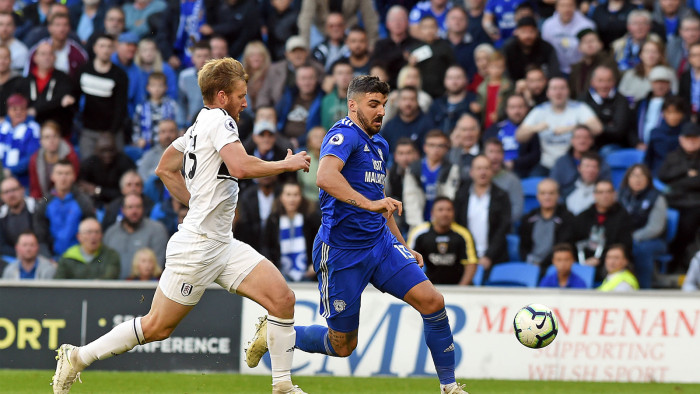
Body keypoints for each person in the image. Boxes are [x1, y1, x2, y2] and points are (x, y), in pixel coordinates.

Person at [52, 57, 311, 394]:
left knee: (282, 299)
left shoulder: (198, 124)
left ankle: (282, 385)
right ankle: (77, 357)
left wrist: (198, 201)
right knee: (157, 327)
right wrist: (285, 163)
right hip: (198, 247)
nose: (245, 102)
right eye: (240, 95)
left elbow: (164, 167)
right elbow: (240, 167)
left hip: (222, 242)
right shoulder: (220, 122)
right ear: (221, 96)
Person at [244, 75, 468, 394]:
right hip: (341, 252)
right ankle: (274, 334)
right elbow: (325, 177)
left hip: (381, 245)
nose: (380, 112)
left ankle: (449, 386)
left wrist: (404, 245)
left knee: (433, 301)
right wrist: (369, 204)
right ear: (353, 105)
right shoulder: (342, 135)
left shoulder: (380, 145)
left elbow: (380, 201)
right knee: (342, 345)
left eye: (383, 105)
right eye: (373, 104)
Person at [516, 77, 602, 176]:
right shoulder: (539, 111)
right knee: (533, 183)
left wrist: (570, 128)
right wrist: (535, 128)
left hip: (573, 163)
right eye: (554, 88)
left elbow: (598, 129)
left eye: (562, 88)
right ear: (548, 93)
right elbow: (519, 136)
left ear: (568, 91)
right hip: (546, 164)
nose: (558, 92)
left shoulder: (579, 108)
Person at [75, 34, 128, 158]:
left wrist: (112, 132)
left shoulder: (120, 75)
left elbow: (121, 107)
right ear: (95, 48)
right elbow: (74, 97)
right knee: (87, 166)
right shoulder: (84, 71)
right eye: (102, 46)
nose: (105, 50)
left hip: (113, 132)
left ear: (113, 50)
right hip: (88, 131)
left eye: (109, 46)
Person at [453, 155, 511, 269]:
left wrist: (489, 256)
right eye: (479, 168)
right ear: (471, 172)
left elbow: (503, 228)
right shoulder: (461, 195)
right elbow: (457, 225)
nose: (482, 172)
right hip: (465, 257)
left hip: (494, 257)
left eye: (486, 168)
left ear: (492, 171)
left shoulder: (502, 196)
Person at [658, 122, 700, 272]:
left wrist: (680, 181)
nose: (691, 141)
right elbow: (662, 176)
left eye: (695, 138)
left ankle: (685, 262)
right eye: (688, 138)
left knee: (689, 224)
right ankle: (674, 262)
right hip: (674, 201)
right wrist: (686, 172)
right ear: (681, 139)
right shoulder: (673, 156)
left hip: (695, 203)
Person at [408, 196, 479, 285]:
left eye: (449, 210)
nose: (445, 213)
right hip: (430, 286)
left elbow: (471, 264)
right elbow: (408, 262)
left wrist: (461, 290)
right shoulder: (419, 233)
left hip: (459, 285)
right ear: (432, 213)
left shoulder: (463, 234)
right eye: (440, 210)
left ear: (454, 213)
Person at [618, 164, 667, 289]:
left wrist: (633, 237)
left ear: (648, 179)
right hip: (626, 237)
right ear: (627, 178)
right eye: (634, 175)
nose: (637, 179)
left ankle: (644, 289)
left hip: (653, 240)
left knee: (642, 249)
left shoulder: (657, 197)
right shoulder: (621, 196)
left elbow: (655, 228)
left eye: (642, 175)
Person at [573, 180, 633, 282]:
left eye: (608, 192)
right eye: (601, 192)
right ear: (594, 195)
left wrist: (601, 260)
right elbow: (573, 241)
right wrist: (582, 261)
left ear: (614, 194)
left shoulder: (623, 217)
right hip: (583, 263)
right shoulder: (583, 216)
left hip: (609, 264)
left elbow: (624, 245)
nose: (605, 196)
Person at [34, 159, 95, 259]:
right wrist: (47, 258)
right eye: (59, 173)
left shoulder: (84, 201)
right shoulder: (45, 201)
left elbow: (91, 231)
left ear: (74, 176)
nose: (63, 178)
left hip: (80, 257)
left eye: (67, 173)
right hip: (52, 258)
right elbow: (40, 237)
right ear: (52, 176)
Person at [263, 181, 321, 282]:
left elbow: (321, 243)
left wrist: (316, 264)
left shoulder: (311, 218)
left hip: (308, 273)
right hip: (281, 273)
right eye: (288, 195)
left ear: (301, 197)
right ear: (281, 197)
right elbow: (265, 245)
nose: (292, 199)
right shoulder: (273, 219)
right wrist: (269, 262)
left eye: (296, 195)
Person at [17, 41, 76, 138]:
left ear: (55, 57)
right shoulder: (25, 81)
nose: (47, 57)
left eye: (50, 53)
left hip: (58, 132)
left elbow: (63, 99)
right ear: (35, 58)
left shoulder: (64, 78)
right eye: (43, 54)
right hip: (29, 133)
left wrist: (35, 109)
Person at [103, 192, 168, 279]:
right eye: (130, 207)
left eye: (138, 207)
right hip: (115, 287)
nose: (134, 211)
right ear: (122, 210)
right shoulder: (111, 233)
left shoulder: (157, 230)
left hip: (146, 287)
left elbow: (158, 265)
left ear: (143, 209)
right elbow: (104, 263)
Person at [404, 130, 460, 228]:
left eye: (440, 146)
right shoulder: (414, 168)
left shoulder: (452, 169)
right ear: (425, 147)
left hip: (442, 223)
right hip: (417, 222)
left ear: (446, 149)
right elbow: (409, 197)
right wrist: (418, 225)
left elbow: (449, 196)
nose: (436, 149)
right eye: (432, 145)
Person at [519, 179, 575, 269]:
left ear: (558, 195)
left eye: (551, 193)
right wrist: (531, 262)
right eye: (543, 193)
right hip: (531, 265)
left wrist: (542, 265)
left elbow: (563, 245)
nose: (547, 197)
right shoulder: (528, 218)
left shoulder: (567, 218)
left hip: (556, 267)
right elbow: (523, 247)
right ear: (537, 196)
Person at [257, 35, 324, 109]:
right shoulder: (275, 69)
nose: (298, 55)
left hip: (309, 109)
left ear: (307, 53)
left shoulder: (318, 69)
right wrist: (263, 109)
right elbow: (264, 94)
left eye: (301, 51)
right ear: (287, 54)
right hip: (278, 110)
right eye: (294, 51)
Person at [482, 93, 540, 178]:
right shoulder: (494, 129)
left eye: (520, 107)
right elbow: (484, 149)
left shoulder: (531, 130)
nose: (517, 111)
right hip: (494, 169)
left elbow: (535, 155)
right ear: (506, 109)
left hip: (521, 172)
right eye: (512, 107)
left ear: (527, 109)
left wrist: (514, 163)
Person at [582, 65, 633, 151]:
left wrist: (598, 127)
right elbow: (580, 126)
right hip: (587, 144)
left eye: (608, 81)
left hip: (613, 146)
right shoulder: (583, 99)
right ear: (592, 82)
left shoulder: (621, 100)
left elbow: (618, 131)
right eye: (600, 81)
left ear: (614, 82)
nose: (604, 85)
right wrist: (608, 125)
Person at [78, 133, 136, 207]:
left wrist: (98, 190)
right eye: (103, 151)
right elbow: (82, 188)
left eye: (111, 150)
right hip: (94, 204)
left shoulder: (125, 162)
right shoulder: (88, 164)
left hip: (121, 204)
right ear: (96, 151)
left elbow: (127, 192)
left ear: (116, 150)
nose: (107, 154)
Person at [53, 217, 121, 279]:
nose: (93, 236)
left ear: (101, 235)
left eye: (97, 232)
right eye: (89, 232)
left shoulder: (110, 255)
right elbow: (59, 282)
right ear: (79, 237)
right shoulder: (68, 257)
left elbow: (110, 278)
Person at [370, 6, 421, 88]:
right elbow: (376, 68)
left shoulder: (417, 43)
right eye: (393, 20)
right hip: (385, 89)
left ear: (407, 22)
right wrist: (401, 55)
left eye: (401, 19)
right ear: (387, 24)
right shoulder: (380, 45)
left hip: (410, 89)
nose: (397, 23)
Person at [540, 0, 595, 75]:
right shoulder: (548, 25)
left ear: (575, 6)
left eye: (570, 5)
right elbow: (545, 50)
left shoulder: (587, 25)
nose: (566, 9)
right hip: (556, 69)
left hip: (581, 70)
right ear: (556, 7)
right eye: (563, 6)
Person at [28, 120, 80, 199]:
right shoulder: (35, 159)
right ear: (41, 141)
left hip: (68, 197)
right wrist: (40, 203)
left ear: (60, 138)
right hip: (45, 199)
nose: (51, 141)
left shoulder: (70, 156)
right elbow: (35, 188)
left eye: (55, 136)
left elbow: (73, 182)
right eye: (47, 137)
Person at [407, 15, 455, 99]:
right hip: (420, 93)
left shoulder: (445, 47)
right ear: (420, 30)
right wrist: (411, 64)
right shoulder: (413, 49)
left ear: (437, 29)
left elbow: (452, 67)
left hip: (442, 91)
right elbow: (407, 72)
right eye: (425, 28)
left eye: (432, 27)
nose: (429, 31)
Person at [297, 0, 379, 49]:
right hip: (322, 28)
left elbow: (370, 17)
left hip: (347, 26)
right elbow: (305, 18)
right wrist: (305, 47)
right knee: (310, 39)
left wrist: (372, 44)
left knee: (357, 43)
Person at [0, 93, 41, 187]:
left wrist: (11, 170)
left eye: (22, 109)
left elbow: (32, 156)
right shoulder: (3, 127)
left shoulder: (33, 128)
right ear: (8, 111)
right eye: (14, 109)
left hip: (23, 181)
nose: (18, 112)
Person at [132, 72, 180, 151]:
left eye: (160, 86)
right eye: (153, 86)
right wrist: (138, 140)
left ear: (166, 87)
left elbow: (177, 124)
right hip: (147, 146)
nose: (156, 89)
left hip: (168, 145)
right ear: (148, 87)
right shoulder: (141, 107)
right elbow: (136, 127)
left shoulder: (172, 105)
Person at [502, 16, 560, 82]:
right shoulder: (509, 48)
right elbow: (504, 73)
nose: (528, 36)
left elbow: (554, 72)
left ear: (537, 32)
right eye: (524, 32)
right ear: (516, 32)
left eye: (531, 31)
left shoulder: (546, 48)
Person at [568, 29, 619, 100]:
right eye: (585, 42)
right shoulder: (576, 68)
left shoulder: (609, 63)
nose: (589, 44)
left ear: (601, 45)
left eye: (592, 41)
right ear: (579, 48)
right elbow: (572, 92)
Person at [644, 96, 688, 176]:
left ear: (682, 114)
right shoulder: (655, 133)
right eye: (669, 112)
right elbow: (648, 159)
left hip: (681, 176)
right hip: (657, 174)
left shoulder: (688, 134)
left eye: (676, 112)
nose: (673, 116)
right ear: (663, 114)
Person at [428, 65, 477, 136]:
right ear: (444, 81)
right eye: (450, 78)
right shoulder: (437, 104)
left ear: (466, 80)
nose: (454, 82)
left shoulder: (474, 103)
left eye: (458, 77)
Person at [382, 86, 433, 153]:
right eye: (404, 99)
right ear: (398, 102)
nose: (408, 103)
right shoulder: (390, 126)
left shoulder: (428, 124)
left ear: (417, 101)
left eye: (412, 99)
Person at [635, 66, 675, 150]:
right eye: (656, 82)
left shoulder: (675, 104)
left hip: (663, 148)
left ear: (669, 84)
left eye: (663, 82)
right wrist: (637, 143)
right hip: (640, 147)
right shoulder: (642, 103)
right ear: (651, 83)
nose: (660, 86)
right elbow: (631, 126)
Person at [484, 138, 523, 224]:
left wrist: (500, 223)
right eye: (491, 152)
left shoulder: (513, 180)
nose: (495, 156)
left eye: (499, 152)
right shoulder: (478, 178)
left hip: (504, 228)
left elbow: (517, 210)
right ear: (484, 155)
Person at [475, 51, 512, 129]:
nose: (496, 70)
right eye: (493, 67)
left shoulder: (508, 86)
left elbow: (508, 105)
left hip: (502, 122)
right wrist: (478, 108)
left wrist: (499, 114)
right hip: (486, 123)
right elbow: (481, 104)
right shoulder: (481, 87)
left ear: (504, 68)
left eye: (500, 67)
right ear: (487, 68)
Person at [0, 177, 36, 256]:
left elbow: (43, 239)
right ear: (2, 196)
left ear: (22, 190)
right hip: (12, 258)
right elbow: (2, 246)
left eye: (14, 190)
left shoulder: (36, 208)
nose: (11, 195)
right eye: (6, 192)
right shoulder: (1, 216)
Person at [177, 41, 210, 128]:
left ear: (212, 58)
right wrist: (181, 125)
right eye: (199, 56)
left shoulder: (221, 78)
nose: (203, 60)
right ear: (193, 59)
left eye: (206, 56)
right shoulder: (185, 76)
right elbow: (181, 103)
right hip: (192, 124)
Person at [448, 113, 481, 181]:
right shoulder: (448, 154)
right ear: (457, 133)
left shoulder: (485, 153)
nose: (468, 134)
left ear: (478, 131)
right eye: (464, 130)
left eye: (472, 129)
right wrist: (455, 148)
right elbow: (452, 176)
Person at [679, 42, 700, 122]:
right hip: (688, 119)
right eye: (694, 55)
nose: (698, 58)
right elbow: (682, 99)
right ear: (689, 58)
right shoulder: (685, 76)